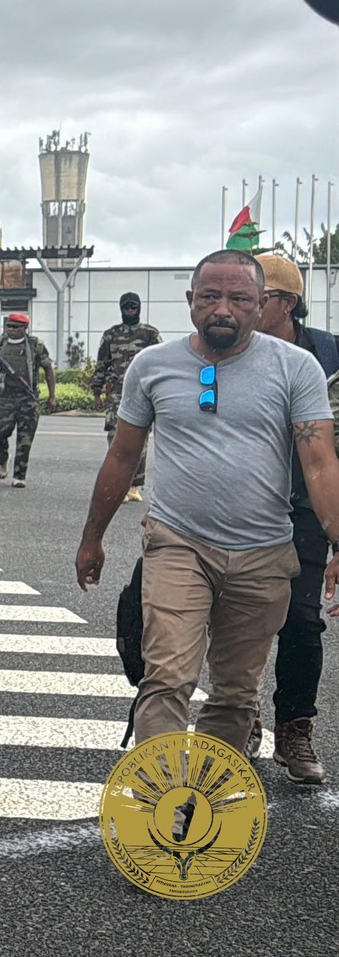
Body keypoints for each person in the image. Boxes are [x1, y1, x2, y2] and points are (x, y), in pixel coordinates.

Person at [77, 249, 339, 756]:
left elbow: (320, 461)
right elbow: (123, 455)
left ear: (262, 304)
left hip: (264, 552)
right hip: (177, 544)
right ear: (190, 300)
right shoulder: (152, 366)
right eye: (211, 296)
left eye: (240, 298)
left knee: (236, 695)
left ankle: (208, 799)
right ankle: (160, 797)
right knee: (167, 675)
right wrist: (93, 538)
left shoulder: (296, 368)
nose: (224, 309)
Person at [248, 253, 339, 781]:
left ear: (286, 303)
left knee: (302, 622)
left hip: (307, 508)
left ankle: (295, 729)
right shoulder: (228, 351)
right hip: (242, 506)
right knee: (239, 618)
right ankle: (244, 717)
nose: (244, 307)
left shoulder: (328, 355)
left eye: (256, 298)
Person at [93, 292, 162, 503]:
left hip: (142, 393)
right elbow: (101, 365)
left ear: (139, 308)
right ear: (121, 309)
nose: (130, 311)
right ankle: (118, 483)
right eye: (126, 308)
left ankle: (134, 486)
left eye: (133, 307)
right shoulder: (110, 335)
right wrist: (96, 392)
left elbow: (159, 364)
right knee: (115, 437)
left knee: (139, 439)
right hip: (116, 393)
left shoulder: (150, 334)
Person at [0, 313, 57, 488]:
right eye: (9, 326)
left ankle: (19, 475)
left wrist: (52, 396)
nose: (11, 329)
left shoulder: (35, 345)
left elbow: (48, 369)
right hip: (4, 397)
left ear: (25, 329)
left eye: (15, 327)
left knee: (25, 440)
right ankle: (2, 459)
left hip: (28, 398)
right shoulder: (0, 343)